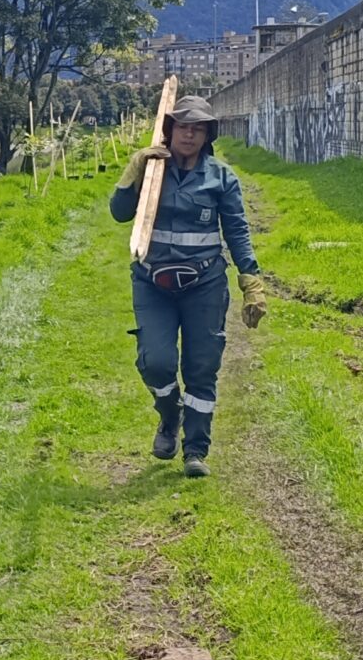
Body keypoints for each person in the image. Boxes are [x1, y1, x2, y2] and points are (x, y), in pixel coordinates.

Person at [109, 94, 263, 476]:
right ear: (170, 129)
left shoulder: (221, 177)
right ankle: (169, 415)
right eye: (183, 126)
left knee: (201, 366)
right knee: (156, 362)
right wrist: (132, 172)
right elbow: (119, 213)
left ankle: (195, 449)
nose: (189, 135)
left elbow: (237, 230)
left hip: (205, 284)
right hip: (152, 283)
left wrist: (251, 280)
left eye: (198, 128)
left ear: (208, 134)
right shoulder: (152, 172)